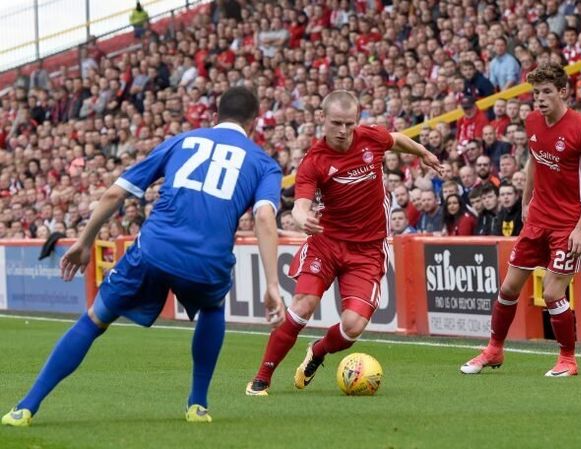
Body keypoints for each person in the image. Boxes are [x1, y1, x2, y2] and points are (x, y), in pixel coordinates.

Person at [2, 87, 285, 427]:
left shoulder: (182, 141)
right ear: (254, 123)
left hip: (154, 248)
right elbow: (266, 218)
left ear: (213, 117)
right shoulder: (263, 163)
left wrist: (84, 241)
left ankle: (26, 407)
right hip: (207, 261)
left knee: (94, 319)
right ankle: (198, 404)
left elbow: (114, 193)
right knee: (212, 307)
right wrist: (272, 283)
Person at [246, 90, 442, 395]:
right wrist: (301, 219)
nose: (343, 130)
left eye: (349, 123)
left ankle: (318, 351)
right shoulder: (314, 161)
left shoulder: (371, 137)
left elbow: (396, 138)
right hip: (327, 242)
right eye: (336, 123)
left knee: (352, 327)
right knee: (303, 305)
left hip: (368, 249)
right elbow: (300, 204)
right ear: (322, 119)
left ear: (357, 120)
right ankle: (262, 378)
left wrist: (422, 152)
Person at [461, 63, 581, 377]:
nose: (539, 99)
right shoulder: (532, 121)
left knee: (553, 292)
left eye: (546, 92)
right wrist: (526, 200)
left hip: (569, 223)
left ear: (563, 92)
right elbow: (534, 161)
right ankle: (494, 349)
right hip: (538, 218)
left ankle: (568, 358)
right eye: (535, 93)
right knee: (509, 287)